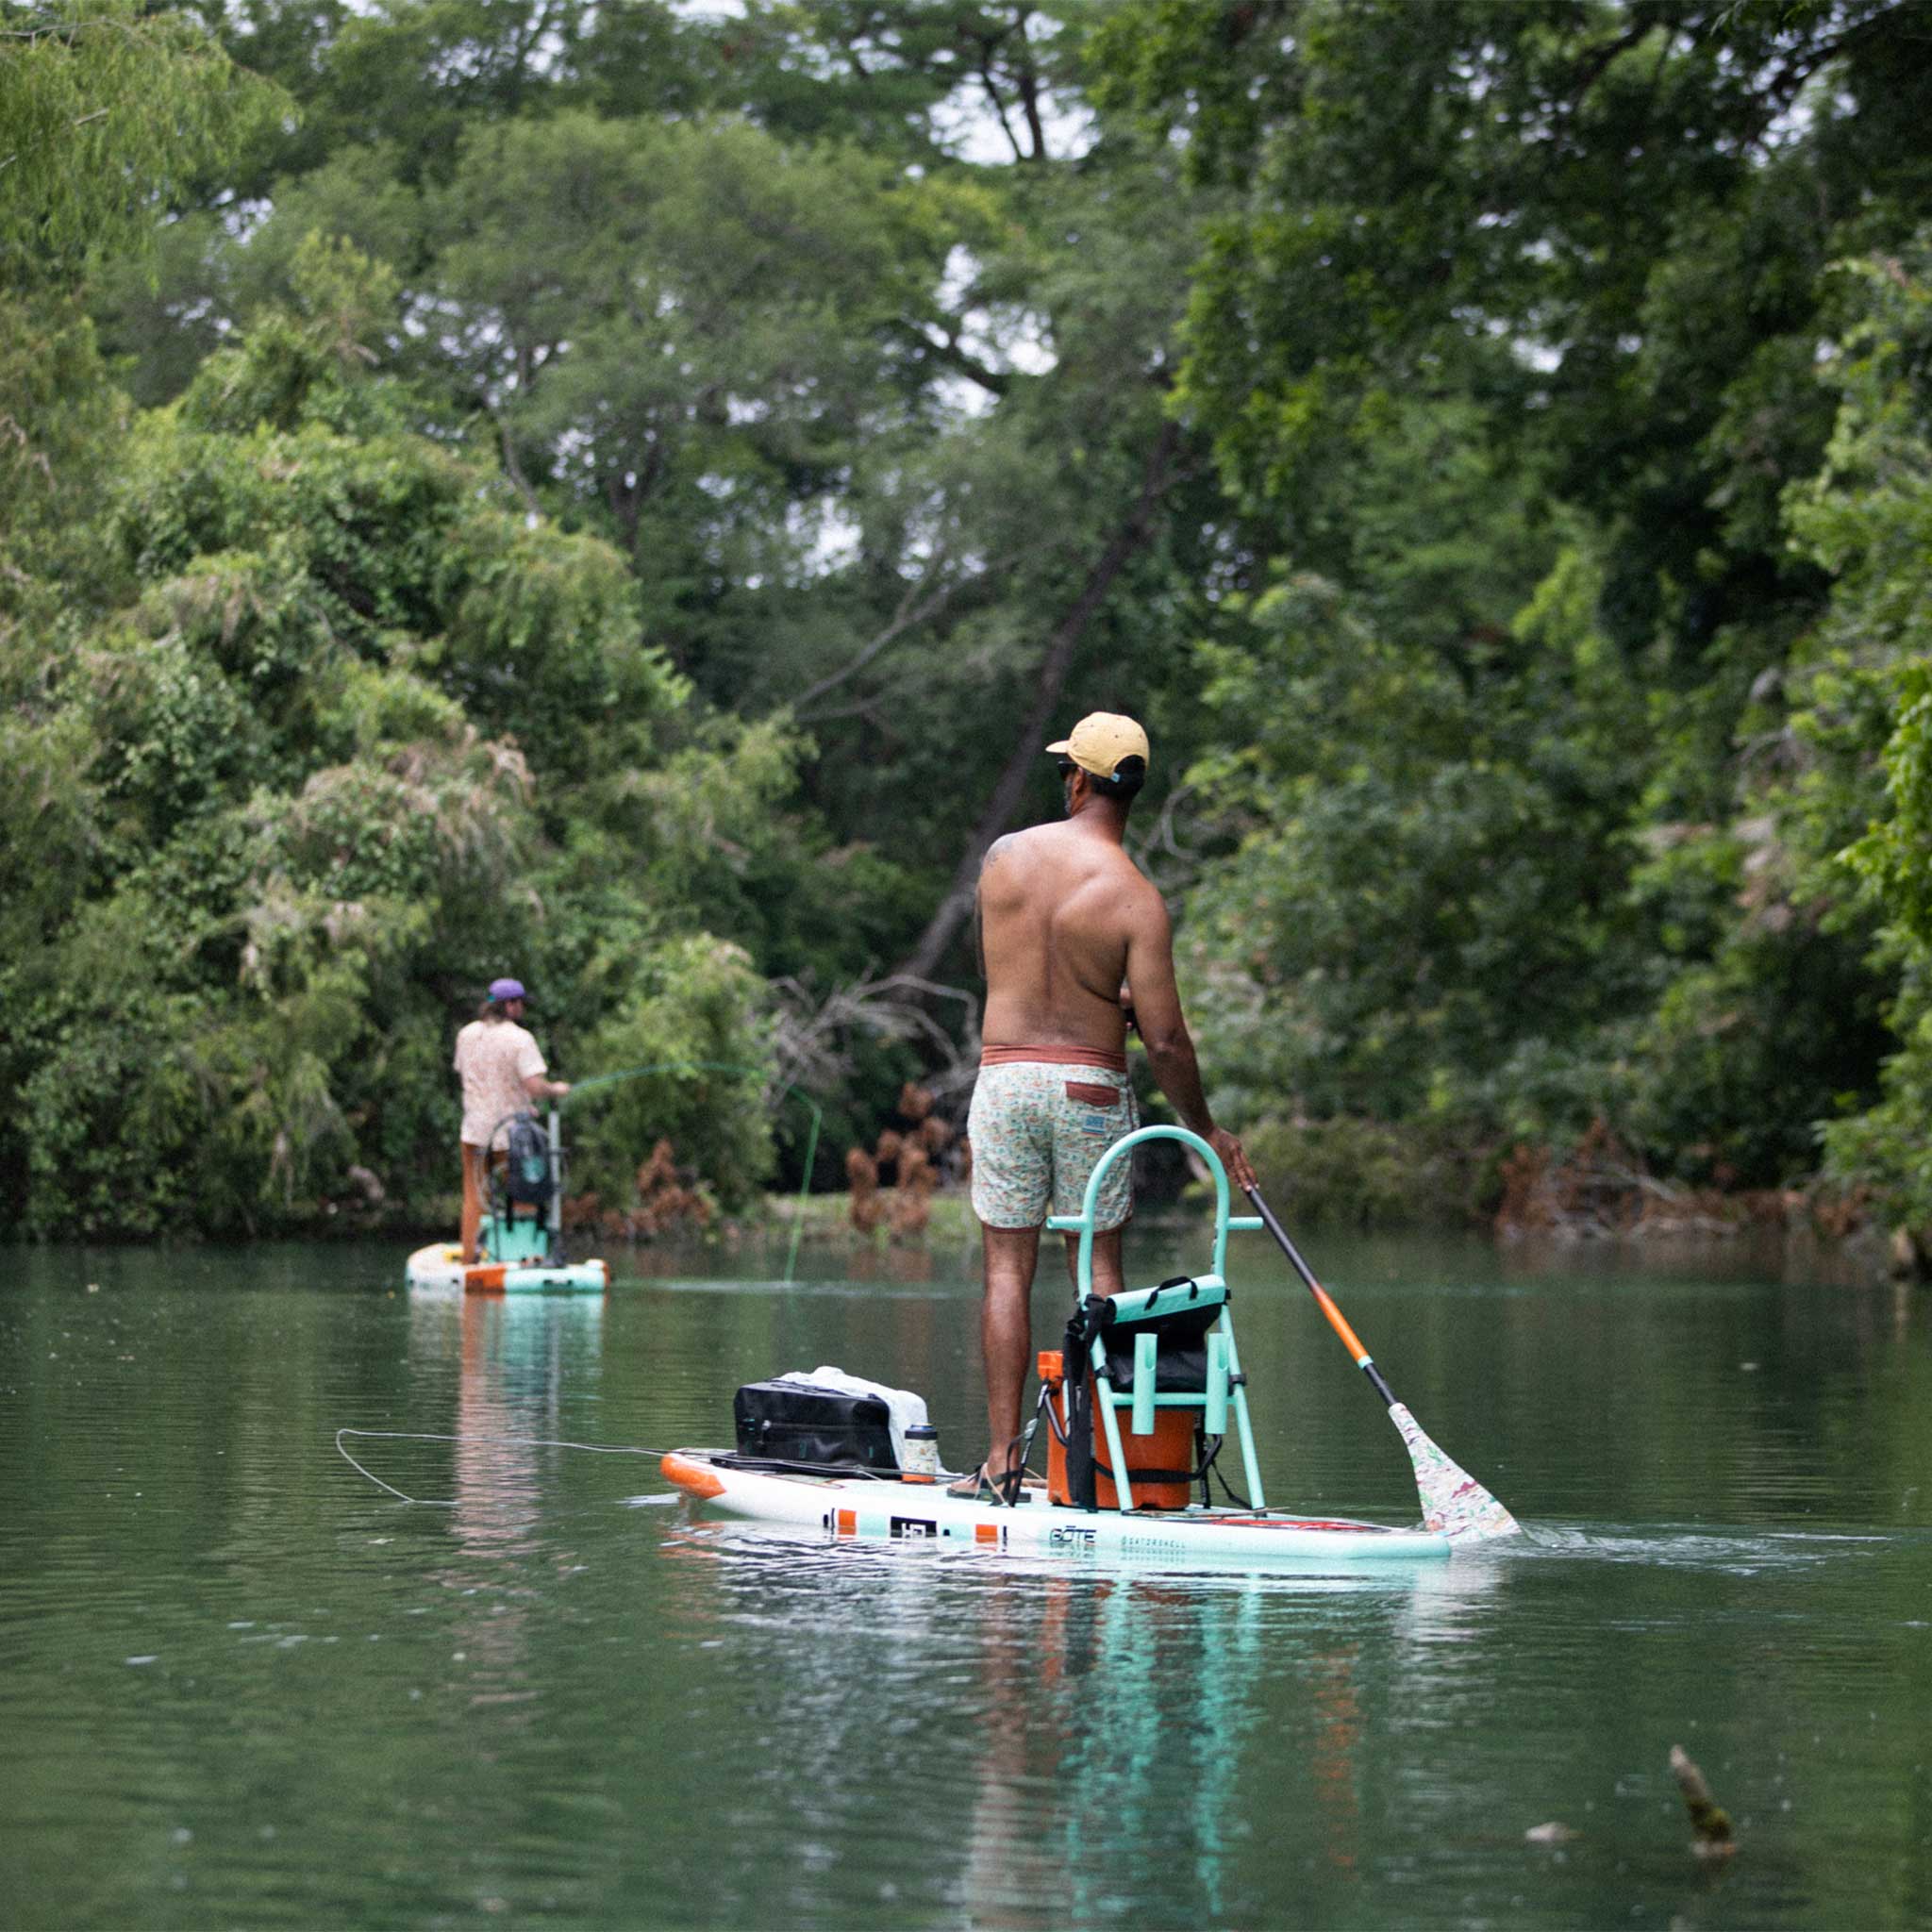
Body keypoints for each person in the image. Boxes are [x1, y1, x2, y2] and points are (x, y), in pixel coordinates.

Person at [955, 711, 1256, 1500]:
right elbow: (1165, 1041)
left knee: (1004, 1270)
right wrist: (1207, 1131)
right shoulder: (1137, 899)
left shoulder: (1004, 859)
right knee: (1099, 1273)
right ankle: (1093, 1468)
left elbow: (1002, 968)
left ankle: (998, 1464)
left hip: (1007, 1078)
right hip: (1089, 1085)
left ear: (1079, 779)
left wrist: (1077, 991)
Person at [454, 977, 571, 1263]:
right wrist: (555, 1089)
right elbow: (534, 1085)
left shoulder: (466, 1035)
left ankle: (471, 1260)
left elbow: (468, 1076)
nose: (522, 1010)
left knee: (473, 1198)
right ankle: (527, 1257)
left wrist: (521, 1102)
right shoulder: (520, 1039)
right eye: (520, 1004)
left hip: (474, 1131)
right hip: (513, 1136)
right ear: (510, 1005)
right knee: (524, 1193)